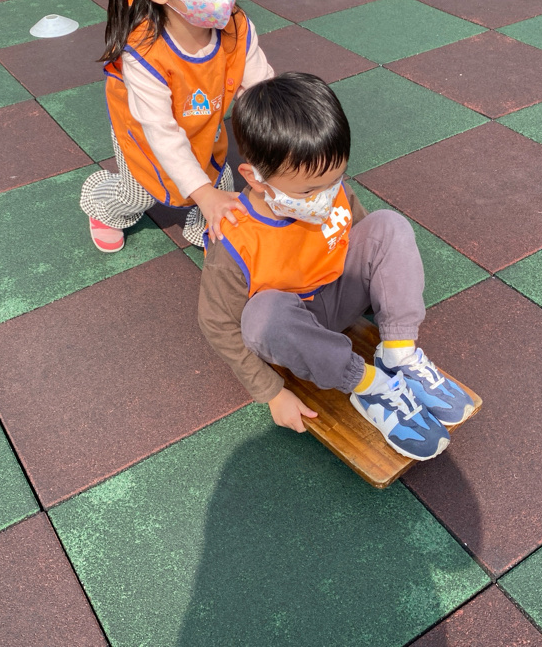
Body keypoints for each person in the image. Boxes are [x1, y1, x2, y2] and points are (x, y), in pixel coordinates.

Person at [198, 73, 477, 461]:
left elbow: (365, 241)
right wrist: (271, 392)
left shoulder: (331, 191)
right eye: (309, 190)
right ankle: (370, 386)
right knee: (263, 315)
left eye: (336, 179)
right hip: (293, 333)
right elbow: (217, 324)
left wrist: (387, 304)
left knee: (388, 225)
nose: (326, 197)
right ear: (256, 178)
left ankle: (398, 353)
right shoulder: (234, 240)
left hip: (337, 298)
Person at [81, 0, 273, 252]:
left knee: (218, 181)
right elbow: (161, 133)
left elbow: (262, 91)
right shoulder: (144, 54)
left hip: (201, 122)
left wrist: (283, 146)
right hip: (144, 133)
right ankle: (103, 206)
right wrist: (203, 193)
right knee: (139, 192)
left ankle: (205, 225)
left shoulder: (236, 28)